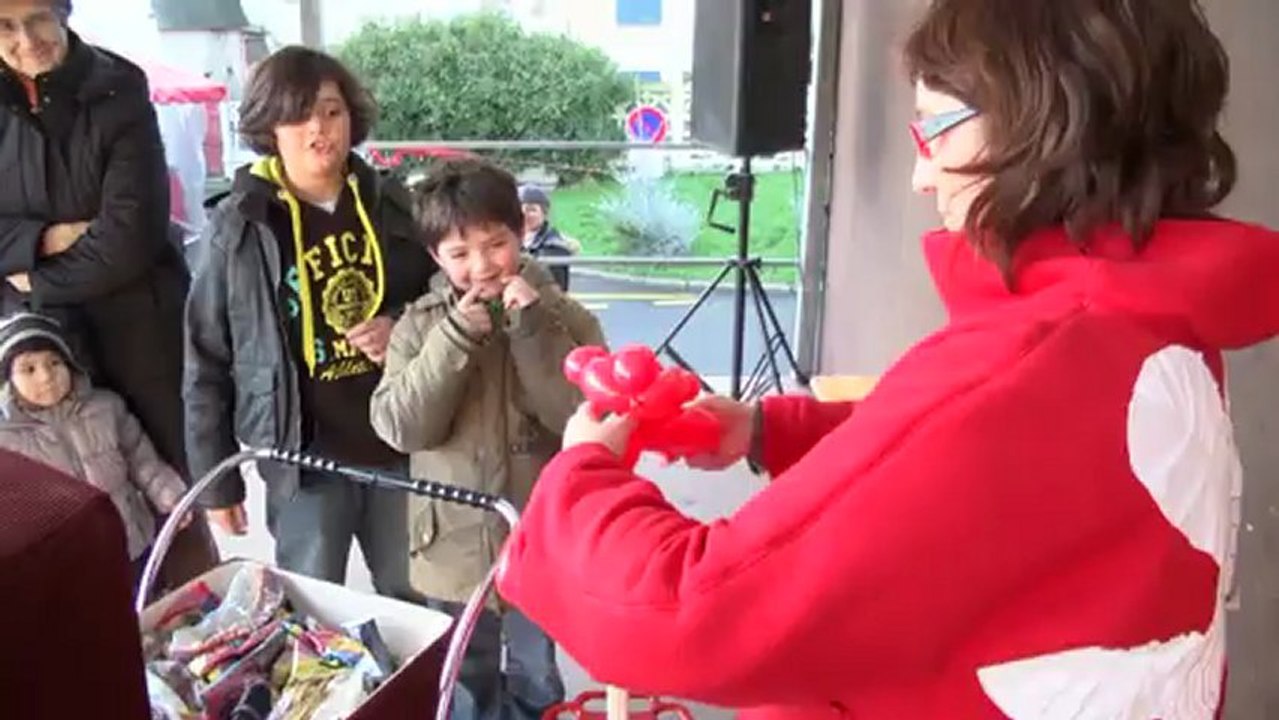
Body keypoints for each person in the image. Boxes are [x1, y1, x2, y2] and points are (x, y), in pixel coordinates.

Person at [495, 1, 1279, 718]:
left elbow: (684, 617)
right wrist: (767, 430)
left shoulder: (1032, 359)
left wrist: (581, 479)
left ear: (1047, 125)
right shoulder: (1142, 326)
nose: (919, 173)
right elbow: (989, 476)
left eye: (936, 127)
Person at [184, 47, 436, 593]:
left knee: (417, 599)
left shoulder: (393, 205)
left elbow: (443, 296)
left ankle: (415, 684)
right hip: (301, 458)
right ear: (268, 126)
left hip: (399, 446)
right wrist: (216, 484)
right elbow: (205, 355)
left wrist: (401, 326)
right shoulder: (237, 225)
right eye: (297, 114)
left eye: (331, 111)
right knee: (313, 604)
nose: (318, 128)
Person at [371, 159, 604, 720]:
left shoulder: (567, 320)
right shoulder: (421, 327)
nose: (481, 267)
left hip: (536, 536)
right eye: (459, 254)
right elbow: (401, 427)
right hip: (450, 542)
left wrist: (531, 332)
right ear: (435, 258)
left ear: (522, 233)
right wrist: (452, 340)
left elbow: (580, 421)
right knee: (461, 675)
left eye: (495, 245)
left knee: (536, 670)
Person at [0, 0, 216, 587]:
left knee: (174, 489)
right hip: (32, 339)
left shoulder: (117, 86)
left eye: (39, 18)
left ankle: (196, 637)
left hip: (138, 324)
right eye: (5, 25)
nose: (26, 39)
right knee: (58, 498)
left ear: (65, 12)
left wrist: (33, 275)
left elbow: (132, 235)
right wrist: (46, 236)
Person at [0, 313, 188, 589]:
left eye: (54, 362)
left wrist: (171, 496)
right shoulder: (6, 441)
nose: (46, 376)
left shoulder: (105, 407)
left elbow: (141, 459)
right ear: (7, 382)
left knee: (153, 611)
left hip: (132, 545)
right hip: (69, 569)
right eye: (29, 369)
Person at [518, 185, 575, 291]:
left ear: (544, 214)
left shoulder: (554, 247)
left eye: (532, 210)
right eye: (519, 209)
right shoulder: (507, 240)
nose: (524, 215)